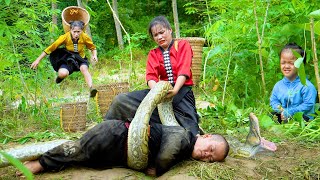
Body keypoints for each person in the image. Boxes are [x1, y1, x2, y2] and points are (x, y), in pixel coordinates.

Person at [18, 120, 229, 177]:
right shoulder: (183, 136)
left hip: (118, 150)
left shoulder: (186, 152)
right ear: (205, 136)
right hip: (116, 135)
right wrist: (159, 169)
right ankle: (40, 163)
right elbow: (167, 153)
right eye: (210, 149)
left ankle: (45, 162)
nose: (206, 155)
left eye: (211, 159)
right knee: (80, 149)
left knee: (86, 159)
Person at [105, 16, 200, 136]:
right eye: (155, 35)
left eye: (162, 32)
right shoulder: (153, 53)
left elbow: (184, 70)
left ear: (170, 30)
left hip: (182, 94)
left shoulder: (182, 45)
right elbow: (151, 77)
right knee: (121, 100)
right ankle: (107, 131)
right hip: (159, 94)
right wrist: (157, 94)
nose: (159, 37)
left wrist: (175, 90)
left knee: (192, 134)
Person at [30, 20, 98, 98]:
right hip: (68, 58)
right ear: (70, 30)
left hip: (80, 58)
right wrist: (38, 59)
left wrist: (94, 55)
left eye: (78, 32)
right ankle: (60, 77)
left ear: (81, 31)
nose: (76, 34)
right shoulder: (65, 37)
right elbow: (51, 48)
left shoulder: (85, 37)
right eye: (74, 31)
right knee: (63, 73)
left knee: (84, 69)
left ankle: (91, 88)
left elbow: (93, 47)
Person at [270, 43, 317, 123]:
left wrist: (291, 111)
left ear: (300, 64)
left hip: (303, 119)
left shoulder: (306, 86)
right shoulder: (278, 86)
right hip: (283, 116)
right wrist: (280, 109)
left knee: (304, 119)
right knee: (271, 115)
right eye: (283, 62)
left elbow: (308, 104)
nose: (286, 66)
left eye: (291, 63)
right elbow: (273, 100)